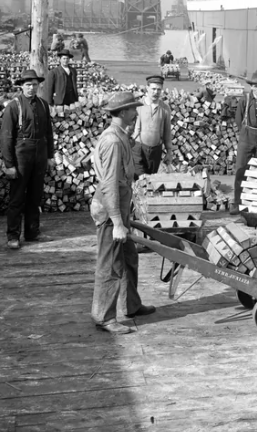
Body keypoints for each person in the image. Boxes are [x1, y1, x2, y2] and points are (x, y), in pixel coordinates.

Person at [90, 91, 156, 334]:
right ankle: (104, 317)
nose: (136, 112)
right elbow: (108, 184)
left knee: (129, 259)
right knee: (110, 265)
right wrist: (117, 222)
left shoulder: (120, 136)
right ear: (123, 112)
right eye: (132, 109)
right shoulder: (113, 141)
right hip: (110, 212)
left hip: (119, 209)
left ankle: (132, 305)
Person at [0, 69, 56, 249]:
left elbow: (48, 132)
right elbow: (6, 137)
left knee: (35, 195)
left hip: (39, 152)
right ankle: (13, 235)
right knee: (17, 197)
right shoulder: (14, 106)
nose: (31, 88)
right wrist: (9, 164)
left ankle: (32, 232)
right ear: (21, 86)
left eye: (34, 85)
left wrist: (49, 155)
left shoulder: (43, 105)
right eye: (28, 85)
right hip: (21, 152)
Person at [231, 72, 257, 214]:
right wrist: (245, 132)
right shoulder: (245, 100)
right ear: (251, 86)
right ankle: (237, 202)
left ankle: (256, 203)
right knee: (241, 169)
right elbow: (238, 120)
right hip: (247, 136)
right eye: (255, 86)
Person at [132, 74, 173, 175]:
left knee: (151, 180)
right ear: (147, 88)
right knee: (139, 179)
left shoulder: (165, 108)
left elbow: (167, 132)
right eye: (153, 89)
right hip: (138, 148)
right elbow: (130, 129)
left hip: (156, 150)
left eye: (159, 89)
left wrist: (169, 151)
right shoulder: (138, 105)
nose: (156, 92)